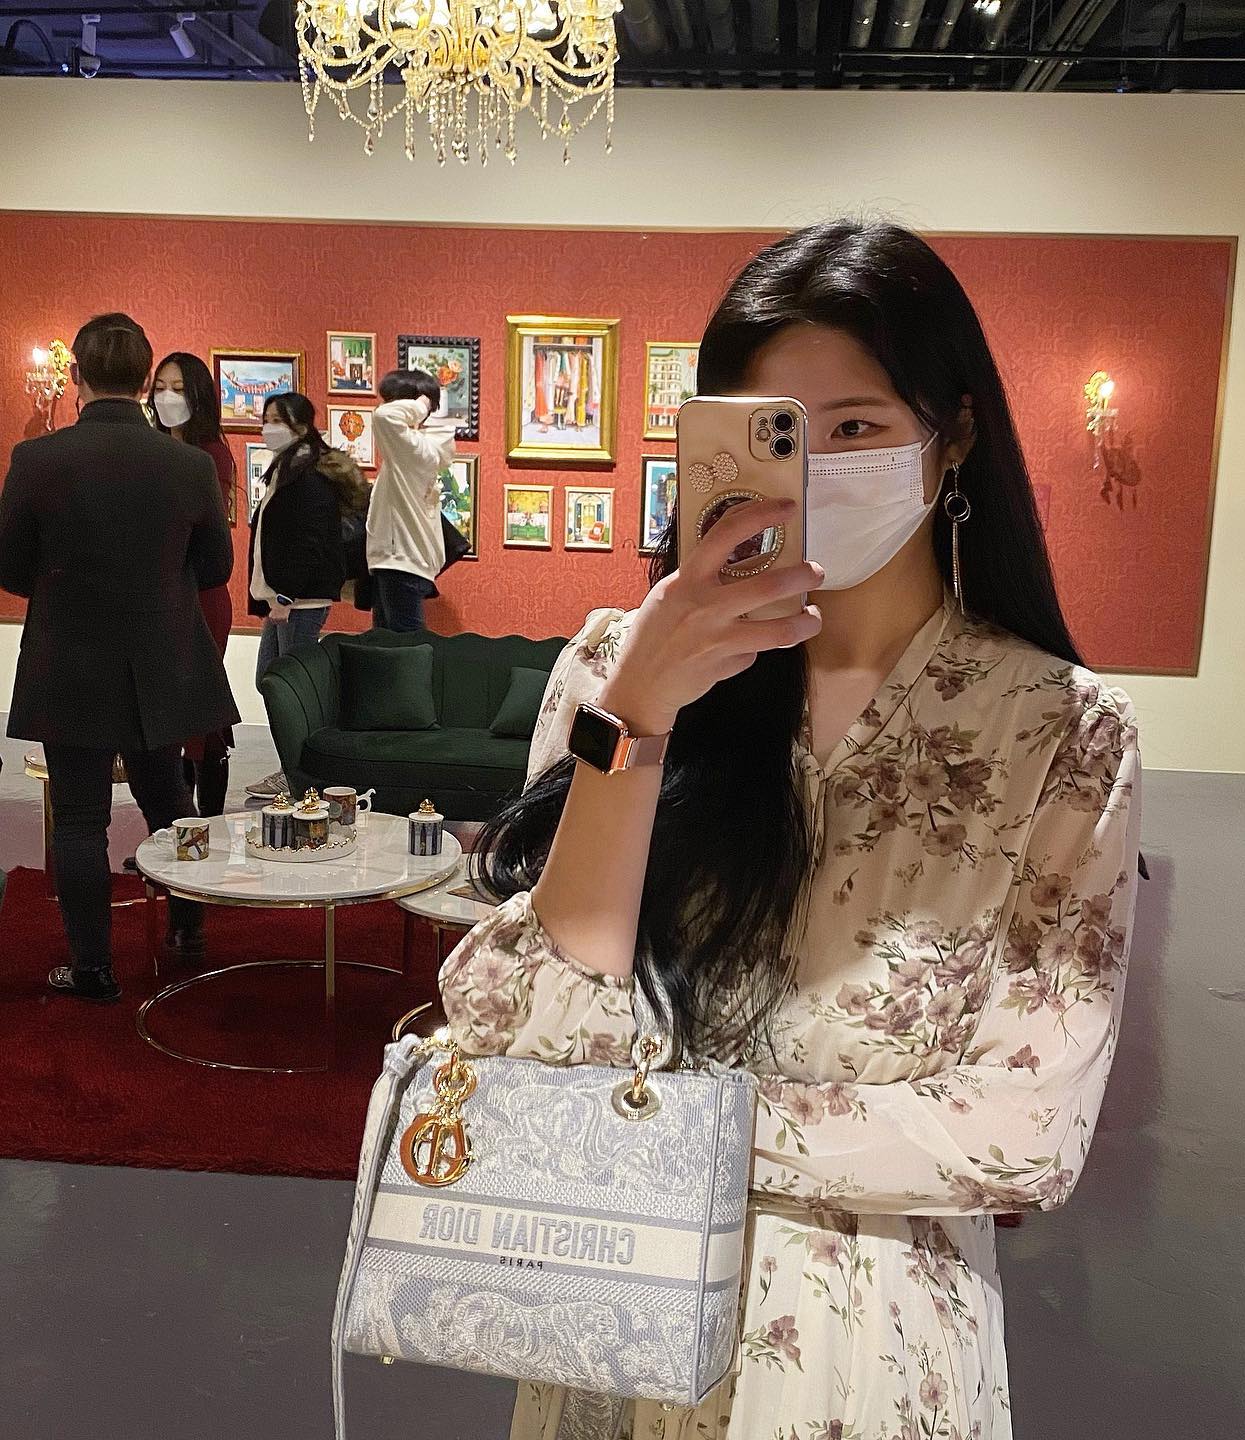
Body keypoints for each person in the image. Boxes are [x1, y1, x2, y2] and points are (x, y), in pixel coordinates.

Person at [441, 221, 1142, 1439]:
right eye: (774, 430)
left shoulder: (1059, 733)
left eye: (856, 427)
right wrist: (641, 717)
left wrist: (677, 1121)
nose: (813, 469)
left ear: (954, 433)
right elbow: (521, 1029)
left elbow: (1028, 1131)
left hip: (867, 1356)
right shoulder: (616, 672)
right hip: (614, 1324)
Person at [0, 312, 238, 1000]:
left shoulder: (38, 459)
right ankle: (188, 932)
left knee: (79, 819)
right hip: (164, 652)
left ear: (76, 375)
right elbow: (216, 567)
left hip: (70, 657)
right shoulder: (189, 464)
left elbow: (10, 567)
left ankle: (93, 968)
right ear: (144, 381)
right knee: (171, 802)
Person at [244, 391, 366, 799]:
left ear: (299, 425)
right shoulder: (287, 468)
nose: (268, 427)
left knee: (291, 688)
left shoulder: (308, 475)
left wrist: (286, 596)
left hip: (298, 600)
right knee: (269, 678)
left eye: (276, 420)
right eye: (266, 419)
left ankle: (297, 771)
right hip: (283, 598)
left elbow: (310, 542)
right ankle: (293, 766)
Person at [150, 350, 236, 816]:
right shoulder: (150, 448)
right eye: (161, 387)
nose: (168, 397)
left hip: (201, 596)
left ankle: (209, 820)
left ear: (199, 396)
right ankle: (178, 821)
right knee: (170, 712)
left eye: (179, 389)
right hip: (159, 596)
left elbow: (204, 536)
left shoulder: (211, 455)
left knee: (201, 711)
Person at [367, 367, 457, 633]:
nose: (385, 405)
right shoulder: (415, 448)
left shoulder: (415, 449)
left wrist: (421, 404)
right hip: (402, 560)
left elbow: (384, 417)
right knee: (390, 644)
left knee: (405, 646)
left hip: (400, 560)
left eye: (391, 400)